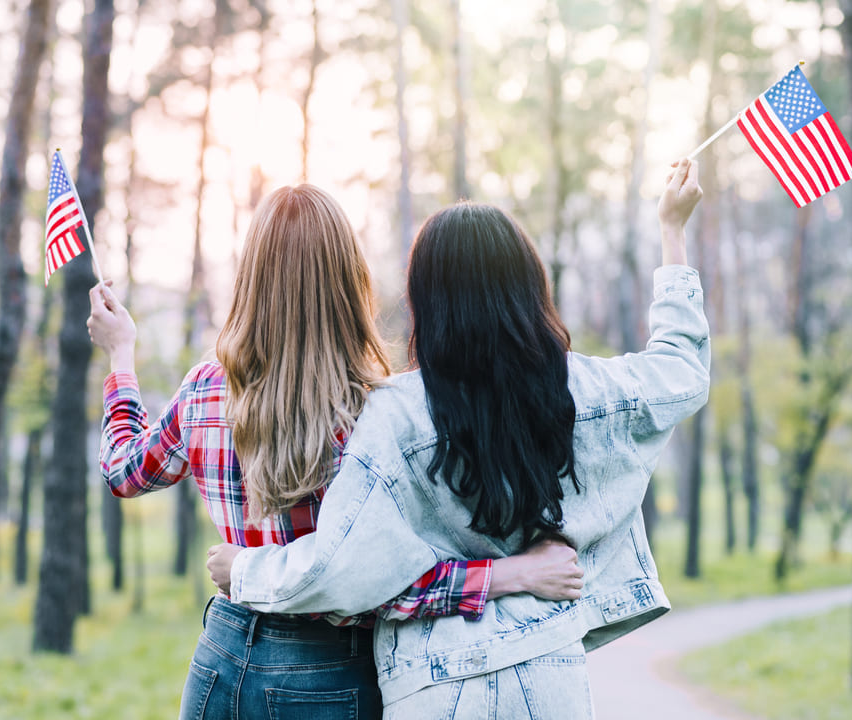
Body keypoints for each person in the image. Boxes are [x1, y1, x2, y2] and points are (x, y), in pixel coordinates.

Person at [206, 158, 709, 718]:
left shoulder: (394, 414)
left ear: (426, 301)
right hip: (549, 675)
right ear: (529, 287)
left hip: (435, 685)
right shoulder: (583, 387)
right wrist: (672, 230)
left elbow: (340, 570)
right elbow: (681, 372)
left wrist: (244, 570)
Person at [86, 184, 585, 720]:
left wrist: (121, 355)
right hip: (329, 671)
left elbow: (125, 470)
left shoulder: (206, 387)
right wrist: (515, 575)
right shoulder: (377, 414)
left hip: (221, 656)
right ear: (349, 281)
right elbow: (384, 585)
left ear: (252, 278)